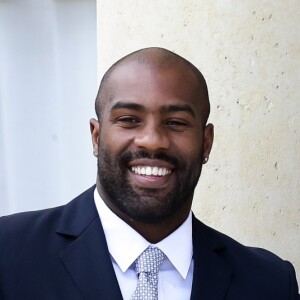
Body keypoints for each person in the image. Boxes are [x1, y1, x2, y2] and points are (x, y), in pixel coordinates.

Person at [0, 47, 299, 300]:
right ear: (96, 136)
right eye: (129, 120)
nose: (153, 140)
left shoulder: (269, 283)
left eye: (176, 122)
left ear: (205, 142)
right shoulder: (9, 253)